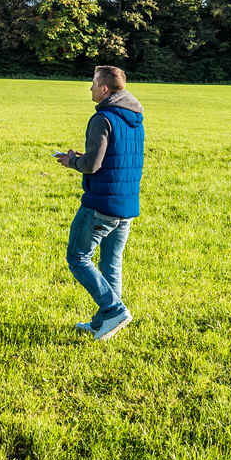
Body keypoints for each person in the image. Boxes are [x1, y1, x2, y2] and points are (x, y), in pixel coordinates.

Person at [55, 65, 144, 341]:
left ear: (105, 89)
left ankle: (114, 309)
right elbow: (114, 157)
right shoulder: (135, 118)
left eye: (93, 83)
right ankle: (101, 323)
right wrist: (86, 158)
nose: (90, 88)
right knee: (111, 265)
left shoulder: (102, 118)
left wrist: (73, 162)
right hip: (126, 203)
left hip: (101, 204)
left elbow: (92, 165)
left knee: (78, 257)